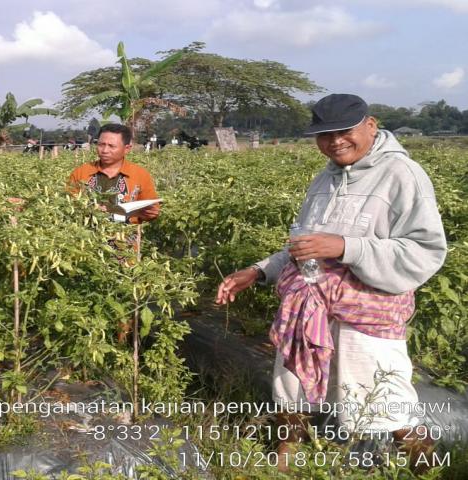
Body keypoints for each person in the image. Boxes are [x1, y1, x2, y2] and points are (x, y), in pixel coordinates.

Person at [215, 94, 446, 470]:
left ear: (370, 125)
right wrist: (258, 271)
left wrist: (345, 247)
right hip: (309, 309)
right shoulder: (324, 179)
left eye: (344, 131)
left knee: (385, 400)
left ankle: (429, 468)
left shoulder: (402, 174)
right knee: (292, 386)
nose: (335, 141)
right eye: (324, 134)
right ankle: (282, 466)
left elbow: (425, 250)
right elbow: (303, 245)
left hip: (366, 314)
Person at [68, 123, 160, 224]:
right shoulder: (81, 172)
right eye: (101, 145)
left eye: (111, 146)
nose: (105, 150)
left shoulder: (140, 174)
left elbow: (152, 210)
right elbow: (68, 206)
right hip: (86, 236)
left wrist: (150, 214)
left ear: (127, 149)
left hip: (126, 237)